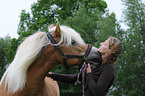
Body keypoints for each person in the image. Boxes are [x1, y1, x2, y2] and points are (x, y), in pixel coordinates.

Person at [47, 36, 122, 96]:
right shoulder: (96, 64)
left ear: (111, 50)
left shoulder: (109, 68)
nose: (101, 44)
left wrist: (88, 74)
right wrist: (52, 75)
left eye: (105, 44)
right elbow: (75, 79)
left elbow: (97, 92)